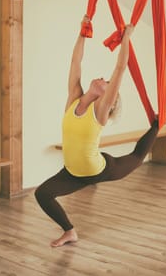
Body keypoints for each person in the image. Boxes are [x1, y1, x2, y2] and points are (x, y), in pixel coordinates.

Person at [35, 15, 159, 247]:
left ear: (108, 101)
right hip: (72, 172)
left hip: (99, 170)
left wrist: (127, 39)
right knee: (42, 194)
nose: (104, 78)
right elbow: (75, 62)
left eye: (107, 84)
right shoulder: (73, 99)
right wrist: (82, 33)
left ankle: (156, 126)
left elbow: (121, 68)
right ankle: (70, 231)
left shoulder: (100, 111)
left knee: (137, 157)